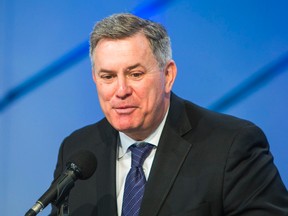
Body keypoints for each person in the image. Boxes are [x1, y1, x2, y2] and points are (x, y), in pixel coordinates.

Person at [50, 13, 288, 216]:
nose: (121, 91)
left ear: (168, 75)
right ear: (95, 79)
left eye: (135, 74)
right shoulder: (77, 149)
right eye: (108, 77)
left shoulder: (232, 145)